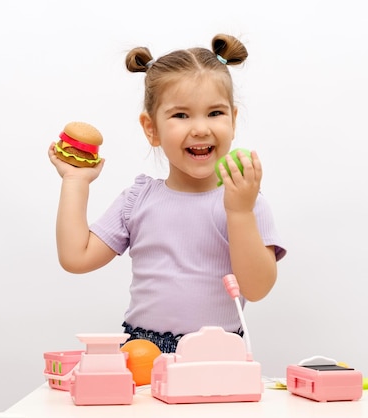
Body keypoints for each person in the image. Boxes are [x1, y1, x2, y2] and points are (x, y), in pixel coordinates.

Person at [48, 34, 287, 353]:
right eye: (181, 115)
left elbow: (256, 289)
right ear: (152, 129)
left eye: (215, 113)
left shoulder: (245, 200)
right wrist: (75, 182)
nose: (201, 128)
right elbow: (76, 258)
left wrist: (239, 212)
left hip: (217, 352)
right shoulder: (138, 199)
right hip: (143, 349)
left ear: (233, 119)